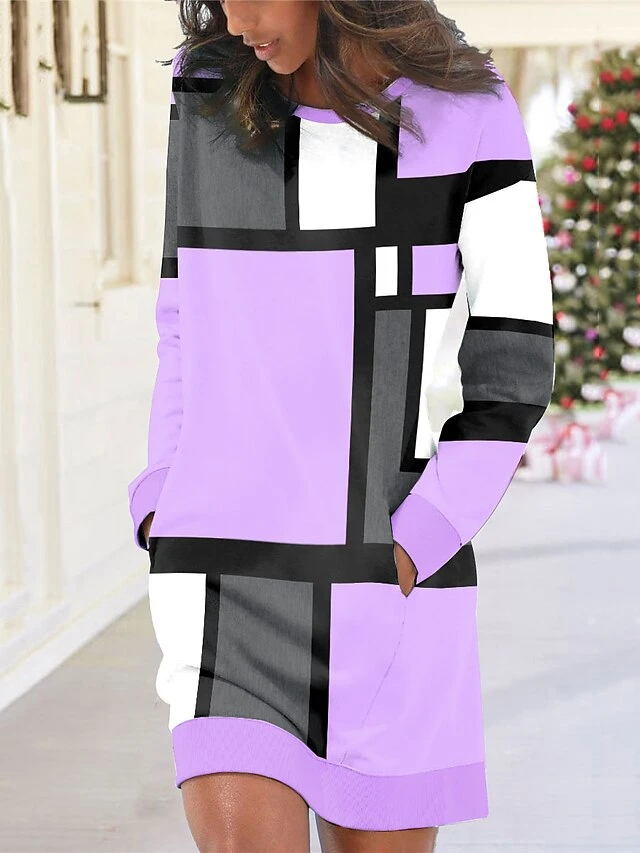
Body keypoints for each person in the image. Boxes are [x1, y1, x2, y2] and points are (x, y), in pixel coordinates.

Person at [127, 1, 555, 850]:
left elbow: (514, 358)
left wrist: (415, 543)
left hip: (387, 588)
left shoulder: (467, 108)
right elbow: (185, 313)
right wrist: (161, 494)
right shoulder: (208, 88)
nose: (236, 18)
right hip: (224, 577)